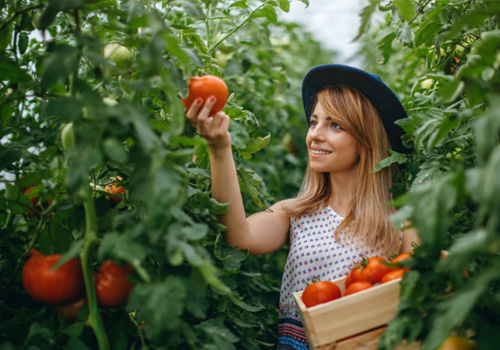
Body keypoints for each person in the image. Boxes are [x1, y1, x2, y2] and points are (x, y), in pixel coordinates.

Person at [185, 64, 420, 350]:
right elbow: (239, 237)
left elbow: (425, 297)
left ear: (366, 139)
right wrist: (219, 148)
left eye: (335, 125)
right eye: (314, 122)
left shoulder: (402, 220)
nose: (315, 135)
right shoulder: (296, 212)